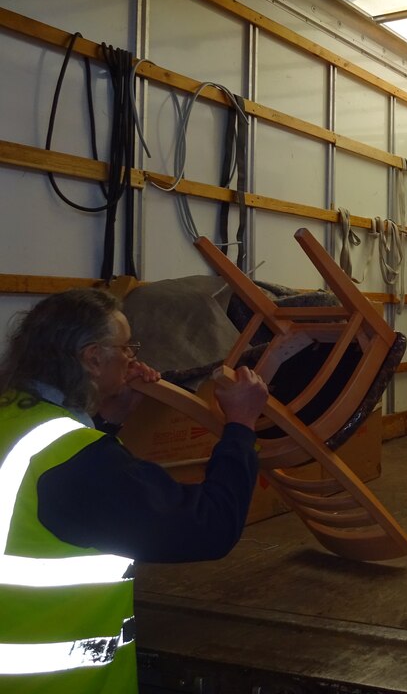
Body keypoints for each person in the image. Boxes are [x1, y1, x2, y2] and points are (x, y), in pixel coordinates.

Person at [0, 287, 268, 693]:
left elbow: (63, 507)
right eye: (126, 348)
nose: (133, 359)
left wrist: (109, 420)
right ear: (93, 358)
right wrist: (241, 427)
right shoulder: (76, 461)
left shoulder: (16, 421)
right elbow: (209, 526)